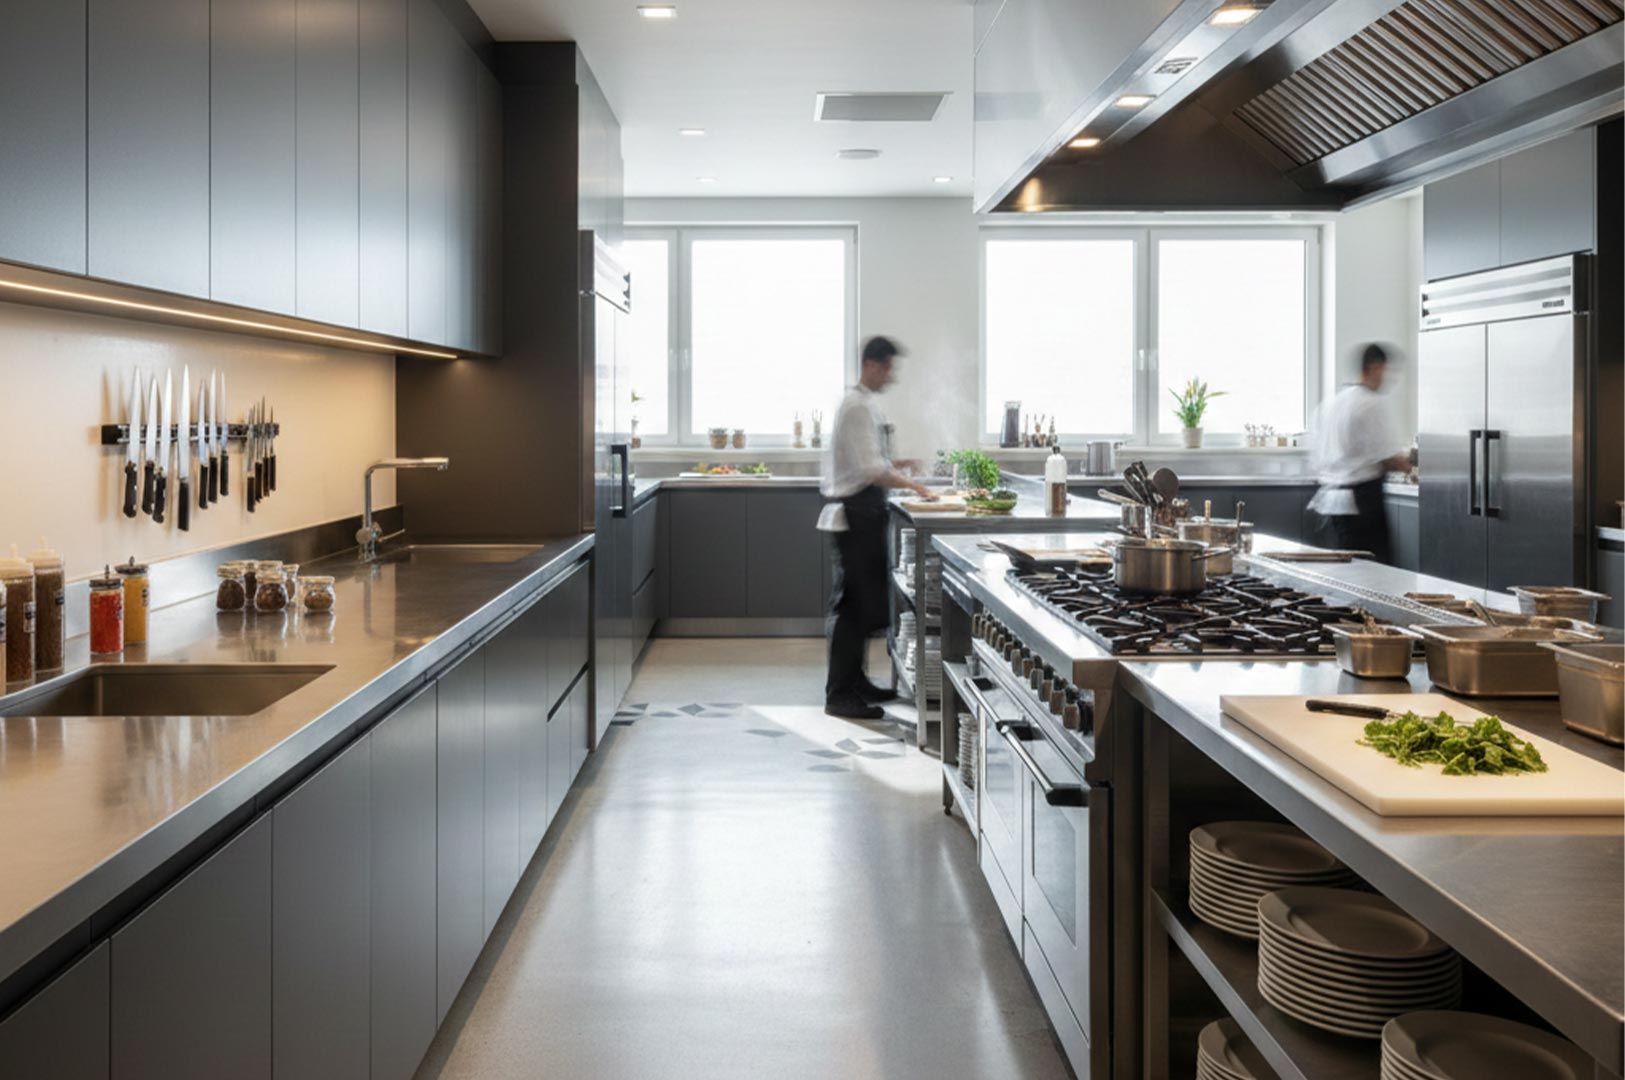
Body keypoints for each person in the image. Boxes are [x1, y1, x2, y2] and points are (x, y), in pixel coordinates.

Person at [818, 336, 936, 721]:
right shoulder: (855, 406)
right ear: (872, 364)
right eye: (887, 368)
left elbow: (869, 459)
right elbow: (869, 470)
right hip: (855, 514)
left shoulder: (862, 404)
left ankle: (857, 683)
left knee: (863, 604)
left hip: (865, 511)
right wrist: (916, 487)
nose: (890, 376)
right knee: (851, 607)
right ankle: (839, 694)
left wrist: (898, 463)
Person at [1307, 343, 1411, 563]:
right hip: (1362, 501)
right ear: (1375, 368)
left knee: (1345, 569)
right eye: (1386, 371)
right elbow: (1388, 458)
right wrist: (1411, 464)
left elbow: (1316, 456)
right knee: (1376, 571)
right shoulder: (1370, 403)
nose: (1386, 378)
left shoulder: (1332, 404)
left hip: (1332, 501)